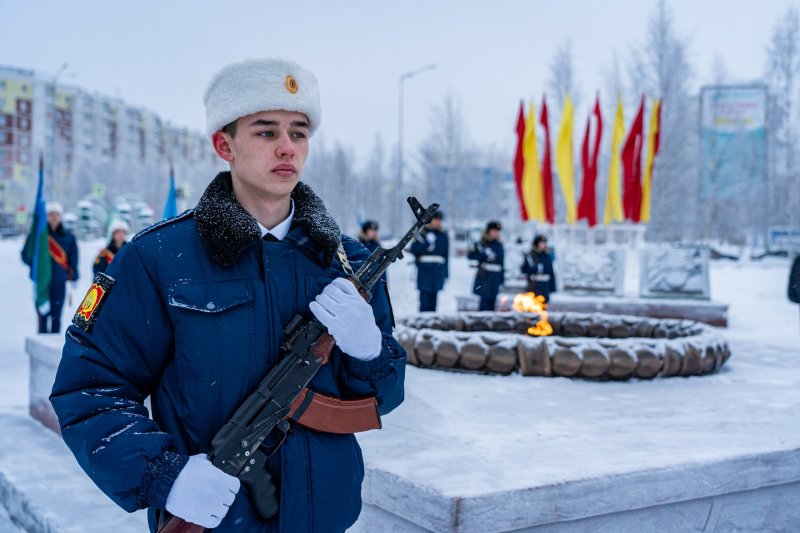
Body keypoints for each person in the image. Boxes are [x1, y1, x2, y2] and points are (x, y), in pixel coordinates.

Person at [50, 58, 406, 532]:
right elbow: (90, 389)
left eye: (299, 133)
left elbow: (383, 397)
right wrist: (164, 476)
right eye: (266, 131)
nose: (287, 147)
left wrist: (371, 353)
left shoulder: (346, 261)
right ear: (225, 145)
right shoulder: (157, 258)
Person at [21, 201, 79, 333]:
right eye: (51, 214)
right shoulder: (38, 236)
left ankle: (53, 342)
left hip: (59, 281)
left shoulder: (68, 237)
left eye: (56, 214)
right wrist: (35, 266)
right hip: (42, 281)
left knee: (56, 316)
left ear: (60, 217)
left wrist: (74, 276)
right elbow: (26, 255)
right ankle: (40, 341)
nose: (53, 217)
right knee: (42, 316)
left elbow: (73, 258)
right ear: (46, 216)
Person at [409, 211, 449, 312]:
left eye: (439, 220)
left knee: (434, 300)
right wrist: (426, 243)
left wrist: (446, 274)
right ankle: (423, 319)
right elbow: (414, 249)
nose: (438, 222)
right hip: (425, 271)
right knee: (424, 300)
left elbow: (445, 255)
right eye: (436, 220)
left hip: (437, 271)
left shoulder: (443, 235)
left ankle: (432, 319)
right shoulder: (421, 234)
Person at [468, 221, 504, 311]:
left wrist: (501, 280)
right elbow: (470, 255)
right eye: (494, 231)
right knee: (484, 301)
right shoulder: (481, 243)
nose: (496, 233)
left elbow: (501, 264)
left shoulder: (499, 245)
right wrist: (483, 254)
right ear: (488, 231)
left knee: (492, 302)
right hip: (485, 276)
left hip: (495, 277)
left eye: (497, 231)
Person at [520, 234, 557, 303]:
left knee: (543, 304)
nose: (543, 245)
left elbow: (550, 272)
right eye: (541, 243)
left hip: (544, 286)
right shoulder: (530, 255)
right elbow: (524, 270)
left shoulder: (547, 256)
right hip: (534, 285)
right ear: (536, 244)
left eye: (544, 243)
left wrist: (552, 287)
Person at [358, 220, 387, 285]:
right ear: (365, 231)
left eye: (374, 230)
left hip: (377, 281)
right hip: (362, 281)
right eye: (371, 230)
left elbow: (382, 266)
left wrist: (384, 284)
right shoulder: (359, 245)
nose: (373, 232)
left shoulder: (377, 246)